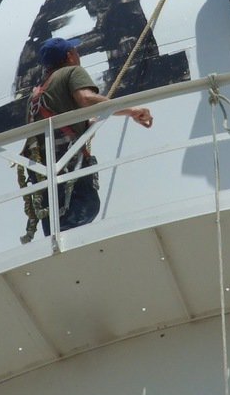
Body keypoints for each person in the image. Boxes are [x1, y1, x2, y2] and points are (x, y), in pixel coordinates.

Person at [17, 37, 154, 242]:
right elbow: (86, 98)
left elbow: (54, 124)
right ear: (70, 55)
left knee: (56, 226)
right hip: (67, 166)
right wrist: (131, 111)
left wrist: (86, 126)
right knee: (87, 206)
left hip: (44, 175)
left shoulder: (35, 95)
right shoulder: (72, 72)